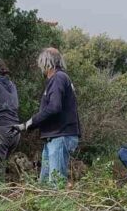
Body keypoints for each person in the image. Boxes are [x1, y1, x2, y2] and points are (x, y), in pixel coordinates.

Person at [16, 47, 81, 184]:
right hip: (55, 137)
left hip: (60, 136)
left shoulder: (58, 78)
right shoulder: (61, 78)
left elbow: (54, 107)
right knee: (45, 184)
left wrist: (30, 122)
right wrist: (26, 125)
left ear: (46, 62)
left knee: (55, 184)